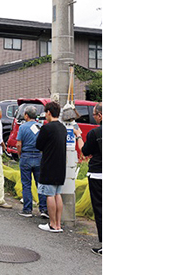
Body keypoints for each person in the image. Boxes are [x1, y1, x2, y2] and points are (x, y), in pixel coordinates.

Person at [74, 103, 102, 255]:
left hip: (98, 174)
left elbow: (85, 151)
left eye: (95, 114)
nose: (95, 117)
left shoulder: (95, 133)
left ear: (100, 115)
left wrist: (78, 135)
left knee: (100, 209)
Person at [36, 101, 67, 233]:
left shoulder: (47, 128)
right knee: (57, 194)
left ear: (48, 112)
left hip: (49, 164)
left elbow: (39, 145)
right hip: (61, 165)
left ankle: (52, 224)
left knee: (49, 195)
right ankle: (58, 224)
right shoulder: (63, 127)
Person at [16, 106, 48, 218]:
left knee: (26, 184)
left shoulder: (23, 127)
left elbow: (18, 144)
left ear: (26, 115)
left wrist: (20, 154)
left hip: (26, 155)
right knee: (40, 184)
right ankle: (44, 209)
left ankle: (28, 209)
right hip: (39, 156)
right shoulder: (41, 127)